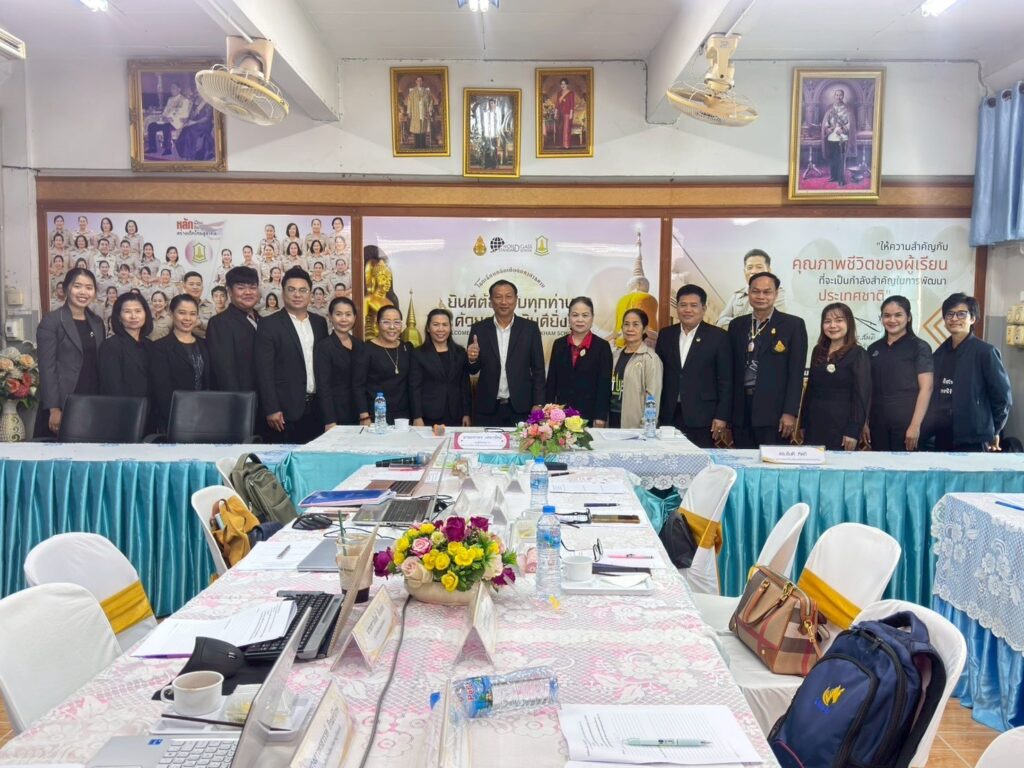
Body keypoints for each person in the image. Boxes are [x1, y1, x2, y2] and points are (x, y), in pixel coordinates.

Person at [922, 293, 1012, 452]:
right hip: (942, 434)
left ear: (973, 318)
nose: (954, 318)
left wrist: (994, 430)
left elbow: (1002, 397)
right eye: (949, 314)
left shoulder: (985, 352)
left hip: (973, 437)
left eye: (961, 314)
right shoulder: (939, 354)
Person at [727, 272, 808, 448]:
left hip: (775, 414)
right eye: (756, 291)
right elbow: (730, 371)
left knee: (772, 462)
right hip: (740, 411)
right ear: (749, 293)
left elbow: (796, 374)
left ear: (776, 294)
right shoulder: (736, 325)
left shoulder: (793, 325)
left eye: (767, 292)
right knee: (743, 461)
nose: (761, 296)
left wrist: (790, 412)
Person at [255, 267, 329, 443]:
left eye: (303, 290)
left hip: (317, 408)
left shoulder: (319, 323)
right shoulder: (269, 324)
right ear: (283, 292)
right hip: (284, 412)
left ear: (310, 294)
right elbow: (264, 370)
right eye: (291, 289)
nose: (297, 295)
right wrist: (271, 408)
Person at [655, 285, 732, 448]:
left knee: (700, 460)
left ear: (703, 309)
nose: (688, 310)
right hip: (669, 413)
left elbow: (726, 381)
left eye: (693, 305)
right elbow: (659, 374)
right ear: (677, 307)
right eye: (683, 305)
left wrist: (721, 416)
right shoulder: (666, 335)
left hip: (703, 417)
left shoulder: (718, 337)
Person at [35, 268, 105, 438]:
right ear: (66, 288)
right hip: (62, 402)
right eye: (77, 286)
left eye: (89, 287)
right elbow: (47, 368)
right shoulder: (51, 321)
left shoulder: (97, 322)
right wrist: (53, 408)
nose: (83, 292)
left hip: (92, 399)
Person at [466, 280, 545, 427]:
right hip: (487, 408)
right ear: (491, 301)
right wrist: (472, 359)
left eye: (508, 296)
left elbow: (538, 369)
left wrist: (538, 403)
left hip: (521, 407)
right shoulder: (479, 329)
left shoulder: (530, 329)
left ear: (516, 300)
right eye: (498, 297)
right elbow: (473, 370)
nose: (503, 302)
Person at [864, 296, 934, 451]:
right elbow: (869, 388)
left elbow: (927, 388)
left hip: (907, 422)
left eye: (898, 315)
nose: (892, 320)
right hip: (878, 422)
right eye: (887, 315)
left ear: (908, 317)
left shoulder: (919, 347)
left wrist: (915, 426)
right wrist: (865, 422)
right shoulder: (874, 348)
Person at [800, 303, 870, 451]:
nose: (833, 325)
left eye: (839, 320)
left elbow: (861, 396)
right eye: (827, 321)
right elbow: (810, 390)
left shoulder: (858, 353)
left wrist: (853, 430)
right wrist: (803, 424)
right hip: (814, 424)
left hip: (842, 427)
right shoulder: (818, 351)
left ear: (849, 323)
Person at [544, 297, 612, 426]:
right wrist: (548, 411)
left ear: (592, 318)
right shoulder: (559, 344)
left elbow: (604, 385)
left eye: (585, 315)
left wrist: (600, 416)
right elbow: (552, 382)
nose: (580, 320)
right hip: (560, 416)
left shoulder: (602, 347)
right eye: (575, 315)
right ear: (569, 317)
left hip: (589, 416)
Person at [148, 294, 210, 431]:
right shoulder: (160, 347)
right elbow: (161, 390)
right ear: (171, 314)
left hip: (204, 414)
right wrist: (176, 418)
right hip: (175, 417)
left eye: (192, 314)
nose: (187, 318)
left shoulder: (204, 345)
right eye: (182, 313)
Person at [410, 308, 472, 428]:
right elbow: (414, 388)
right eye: (436, 324)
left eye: (445, 325)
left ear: (450, 328)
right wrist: (417, 416)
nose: (440, 329)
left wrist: (466, 413)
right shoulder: (418, 354)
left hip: (456, 414)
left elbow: (465, 386)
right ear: (428, 328)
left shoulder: (460, 352)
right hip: (428, 415)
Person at [205, 266, 261, 395]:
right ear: (229, 291)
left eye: (253, 287)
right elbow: (225, 372)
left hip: (265, 399)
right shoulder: (219, 323)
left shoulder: (263, 321)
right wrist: (238, 401)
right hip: (240, 399)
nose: (248, 292)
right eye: (241, 288)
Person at [354, 305, 413, 425]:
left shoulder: (406, 348)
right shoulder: (366, 349)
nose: (392, 327)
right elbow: (358, 385)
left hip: (404, 416)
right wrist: (364, 416)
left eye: (397, 322)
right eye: (386, 322)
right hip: (376, 414)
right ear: (377, 325)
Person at [314, 296, 363, 430]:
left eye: (348, 314)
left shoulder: (359, 344)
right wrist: (330, 420)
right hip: (336, 415)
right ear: (330, 317)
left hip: (359, 412)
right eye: (339, 314)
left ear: (354, 317)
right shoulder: (324, 347)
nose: (344, 319)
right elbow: (323, 386)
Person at [610, 309, 663, 429]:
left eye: (635, 324)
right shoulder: (614, 355)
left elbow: (653, 397)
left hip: (634, 426)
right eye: (626, 324)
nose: (630, 329)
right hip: (611, 421)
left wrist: (646, 427)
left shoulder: (650, 359)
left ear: (644, 329)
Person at [98, 292, 153, 401]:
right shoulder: (110, 346)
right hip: (125, 407)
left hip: (149, 407)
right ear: (119, 316)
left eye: (138, 311)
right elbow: (112, 387)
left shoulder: (149, 345)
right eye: (127, 311)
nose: (133, 316)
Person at [716, 249, 788, 329]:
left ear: (768, 270)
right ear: (744, 271)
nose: (753, 271)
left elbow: (771, 323)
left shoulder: (777, 293)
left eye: (759, 267)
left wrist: (734, 324)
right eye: (750, 267)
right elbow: (720, 322)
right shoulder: (737, 295)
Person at [146, 82, 191, 156]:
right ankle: (152, 148)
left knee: (166, 127)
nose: (171, 90)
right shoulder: (170, 99)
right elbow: (166, 110)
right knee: (151, 126)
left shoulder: (184, 100)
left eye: (173, 88)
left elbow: (184, 114)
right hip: (166, 121)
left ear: (179, 89)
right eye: (171, 88)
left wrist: (171, 118)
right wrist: (164, 117)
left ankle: (168, 149)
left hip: (176, 122)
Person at [821, 87, 852, 186]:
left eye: (840, 95)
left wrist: (842, 129)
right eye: (837, 95)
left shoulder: (847, 109)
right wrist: (828, 128)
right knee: (833, 157)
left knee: (841, 158)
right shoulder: (830, 108)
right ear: (834, 96)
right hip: (831, 136)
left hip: (842, 136)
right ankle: (833, 176)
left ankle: (841, 178)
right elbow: (826, 122)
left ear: (843, 96)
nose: (838, 97)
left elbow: (850, 123)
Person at [174, 95, 215, 161]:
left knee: (189, 131)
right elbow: (192, 115)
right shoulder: (196, 99)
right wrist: (187, 119)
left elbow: (207, 118)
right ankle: (186, 154)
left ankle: (191, 155)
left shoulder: (208, 101)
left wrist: (195, 122)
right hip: (195, 122)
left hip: (204, 124)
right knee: (185, 129)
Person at [182, 271, 214, 339]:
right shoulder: (178, 305)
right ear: (184, 287)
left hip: (206, 342)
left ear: (202, 288)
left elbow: (215, 326)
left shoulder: (209, 306)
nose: (195, 287)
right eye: (191, 284)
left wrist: (200, 323)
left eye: (198, 284)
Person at [406, 75, 435, 149]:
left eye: (421, 80)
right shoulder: (412, 92)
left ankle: (423, 145)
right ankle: (417, 145)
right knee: (416, 129)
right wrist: (409, 112)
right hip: (415, 112)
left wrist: (429, 109)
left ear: (422, 82)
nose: (419, 82)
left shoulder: (426, 92)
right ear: (416, 82)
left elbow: (431, 101)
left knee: (423, 129)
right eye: (418, 80)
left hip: (424, 112)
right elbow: (409, 102)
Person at [554, 78, 575, 149]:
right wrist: (555, 113)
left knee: (566, 129)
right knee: (561, 129)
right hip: (560, 113)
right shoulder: (559, 93)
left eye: (564, 84)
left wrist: (571, 113)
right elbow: (557, 104)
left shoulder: (571, 93)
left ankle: (566, 144)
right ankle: (562, 144)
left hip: (567, 113)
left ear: (567, 85)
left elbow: (572, 104)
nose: (563, 85)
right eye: (561, 84)